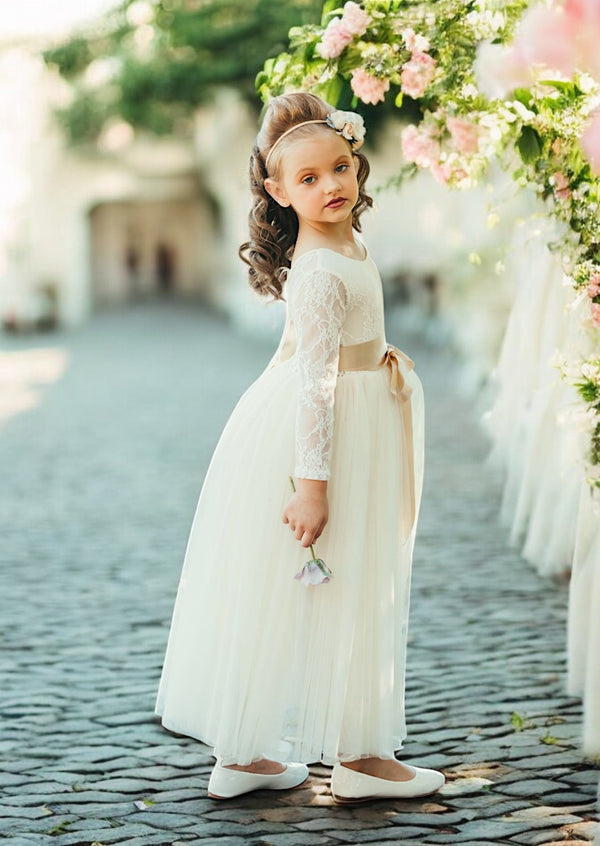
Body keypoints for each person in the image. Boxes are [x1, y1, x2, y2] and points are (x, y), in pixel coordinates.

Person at [155, 91, 445, 803]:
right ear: (277, 192)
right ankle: (348, 757)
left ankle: (272, 756)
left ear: (357, 164)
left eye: (340, 168)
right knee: (332, 583)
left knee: (352, 579)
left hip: (364, 414)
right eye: (308, 179)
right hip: (325, 434)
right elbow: (314, 384)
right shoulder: (317, 271)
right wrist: (311, 485)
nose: (331, 186)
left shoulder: (349, 244)